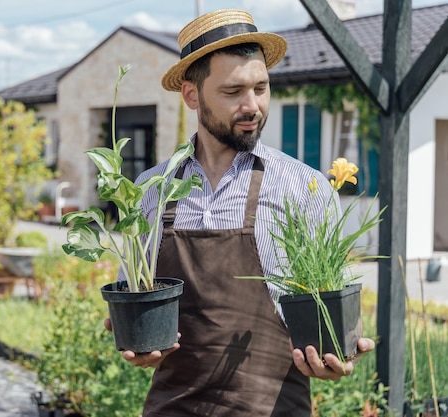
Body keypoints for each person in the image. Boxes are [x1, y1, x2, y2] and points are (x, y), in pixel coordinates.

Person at [104, 8, 375, 417]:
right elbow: (134, 300)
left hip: (274, 408)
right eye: (233, 92)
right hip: (173, 407)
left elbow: (332, 312)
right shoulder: (151, 189)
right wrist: (135, 341)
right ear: (192, 96)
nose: (253, 106)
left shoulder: (304, 187)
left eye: (261, 88)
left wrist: (337, 352)